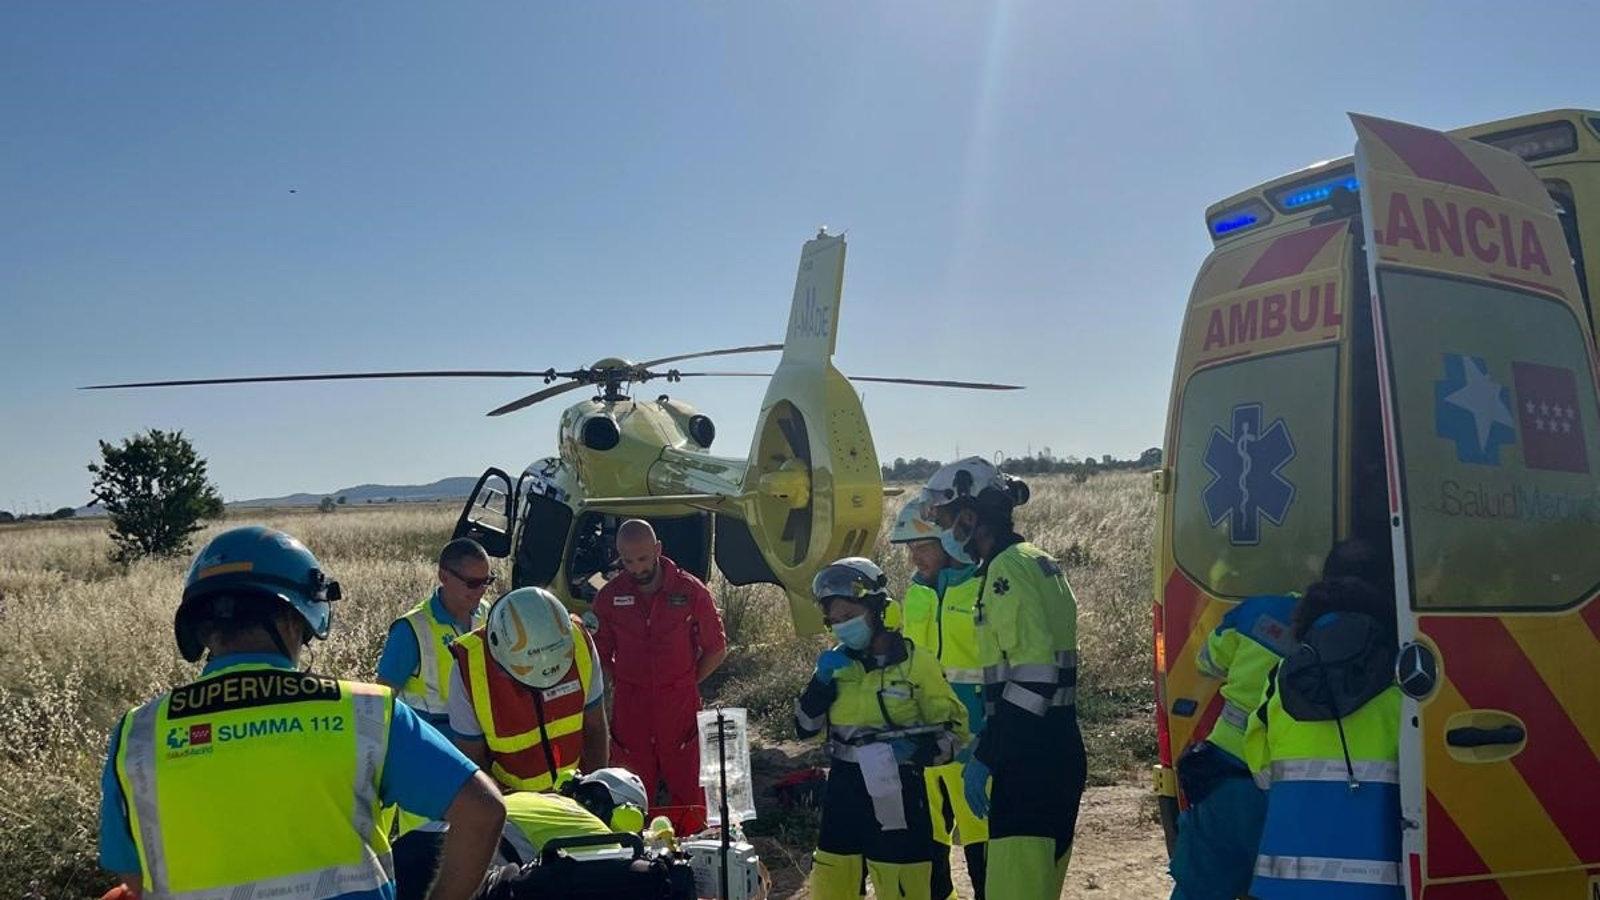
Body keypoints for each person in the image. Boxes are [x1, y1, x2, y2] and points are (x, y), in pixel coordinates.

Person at [98, 525, 505, 900]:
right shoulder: (366, 713)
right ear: (300, 620)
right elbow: (484, 811)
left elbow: (130, 873)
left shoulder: (137, 735)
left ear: (201, 626)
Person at [1169, 538, 1391, 899]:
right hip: (1305, 799)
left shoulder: (1256, 613)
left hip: (1228, 778)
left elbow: (1206, 662)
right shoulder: (1386, 648)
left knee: (1200, 887)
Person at [920, 457, 1085, 900]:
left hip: (1029, 761)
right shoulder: (1038, 560)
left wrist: (990, 753)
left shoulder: (1006, 570)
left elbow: (1034, 676)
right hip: (1054, 748)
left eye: (946, 519)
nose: (943, 532)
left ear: (970, 516)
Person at [796, 557, 970, 900]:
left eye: (849, 617)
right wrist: (820, 684)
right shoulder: (837, 665)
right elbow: (804, 728)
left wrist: (916, 751)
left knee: (903, 882)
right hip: (845, 790)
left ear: (879, 610)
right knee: (833, 880)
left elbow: (955, 732)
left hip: (900, 791)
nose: (842, 627)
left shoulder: (917, 664)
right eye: (834, 621)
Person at [1245, 570, 1403, 897]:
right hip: (1377, 884)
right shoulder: (1401, 682)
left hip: (1283, 884)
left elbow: (1260, 770)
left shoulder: (1280, 681)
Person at [590, 519, 728, 834]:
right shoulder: (609, 597)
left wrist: (687, 681)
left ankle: (694, 848)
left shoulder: (690, 590)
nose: (637, 568)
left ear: (657, 550)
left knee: (690, 788)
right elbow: (597, 654)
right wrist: (621, 681)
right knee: (629, 790)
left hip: (679, 704)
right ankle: (635, 858)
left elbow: (716, 648)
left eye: (642, 559)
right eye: (628, 561)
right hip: (631, 708)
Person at [890, 497, 990, 898]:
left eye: (922, 547)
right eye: (910, 550)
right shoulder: (915, 595)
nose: (915, 559)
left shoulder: (985, 588)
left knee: (982, 842)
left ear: (951, 541)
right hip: (926, 740)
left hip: (976, 740)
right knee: (930, 841)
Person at [447, 586, 610, 792]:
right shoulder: (468, 666)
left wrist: (596, 789)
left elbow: (595, 727)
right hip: (510, 803)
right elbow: (472, 760)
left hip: (576, 795)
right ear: (499, 653)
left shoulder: (579, 641)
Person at [377, 538, 497, 730]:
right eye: (473, 583)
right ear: (444, 577)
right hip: (431, 742)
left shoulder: (488, 613)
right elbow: (381, 702)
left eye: (487, 581)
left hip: (482, 735)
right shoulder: (410, 629)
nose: (482, 591)